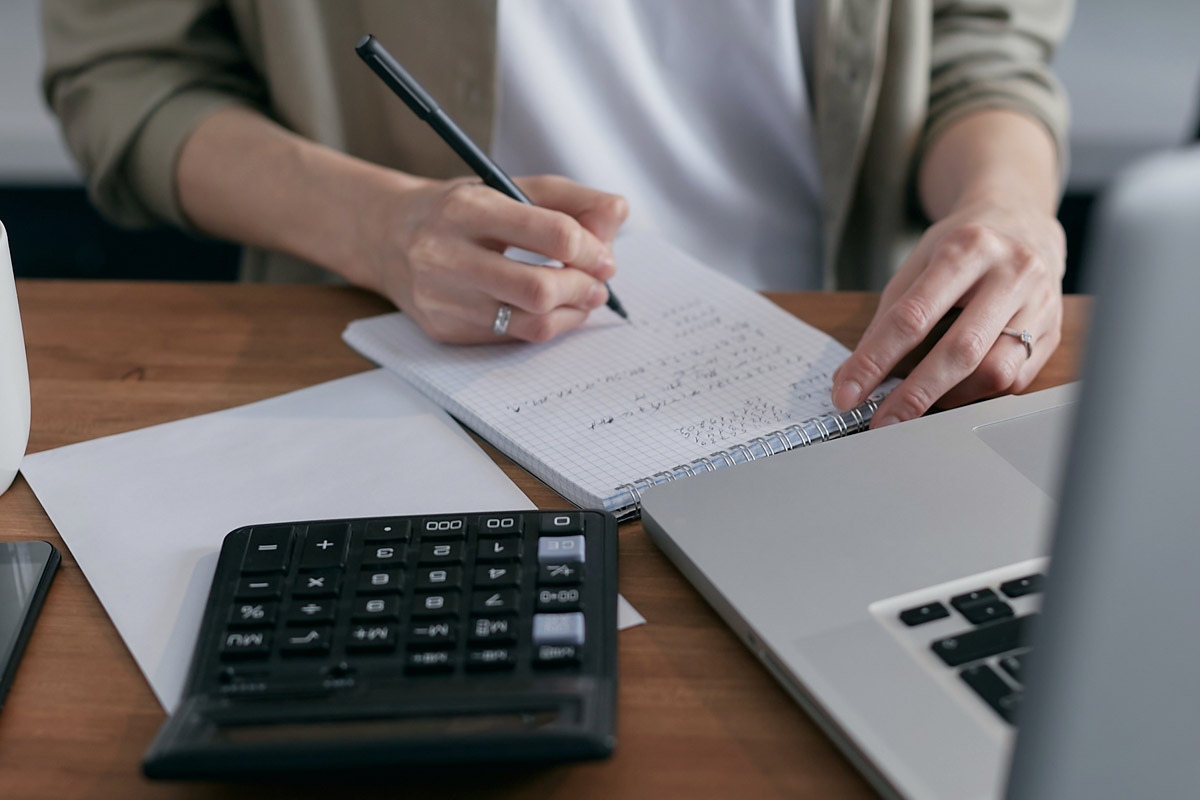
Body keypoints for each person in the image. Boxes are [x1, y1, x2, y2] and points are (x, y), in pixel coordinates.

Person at [41, 0, 1071, 428]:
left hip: (843, 348)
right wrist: (378, 225)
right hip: (394, 366)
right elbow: (126, 74)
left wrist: (1007, 206)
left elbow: (979, 45)